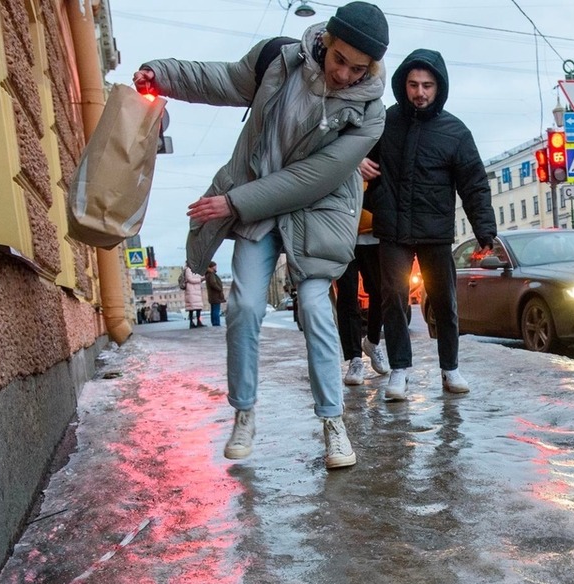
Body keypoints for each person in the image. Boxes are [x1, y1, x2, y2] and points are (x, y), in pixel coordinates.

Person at [133, 2, 390, 467]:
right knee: (245, 305)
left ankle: (334, 423)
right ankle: (244, 412)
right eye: (340, 60)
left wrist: (233, 203)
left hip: (319, 209)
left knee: (314, 306)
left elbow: (317, 176)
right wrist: (162, 73)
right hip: (258, 201)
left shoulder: (371, 110)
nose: (346, 75)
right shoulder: (279, 60)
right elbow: (222, 79)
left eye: (359, 68)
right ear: (326, 42)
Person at [361, 49, 497, 402]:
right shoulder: (384, 122)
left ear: (439, 87)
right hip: (392, 228)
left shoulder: (455, 131)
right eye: (413, 84)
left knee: (444, 300)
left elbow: (474, 183)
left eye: (427, 85)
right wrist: (358, 162)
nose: (420, 92)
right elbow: (351, 149)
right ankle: (399, 371)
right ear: (402, 85)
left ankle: (450, 368)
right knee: (393, 298)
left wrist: (485, 231)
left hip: (435, 229)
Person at [335, 196, 389, 386]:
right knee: (347, 295)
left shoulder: (377, 164)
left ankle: (372, 341)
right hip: (344, 233)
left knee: (381, 292)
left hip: (375, 233)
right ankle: (354, 359)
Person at [205, 261, 226, 327]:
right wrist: (219, 288)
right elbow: (213, 283)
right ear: (212, 267)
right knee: (216, 310)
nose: (216, 267)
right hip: (215, 295)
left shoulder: (209, 274)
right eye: (215, 266)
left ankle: (214, 322)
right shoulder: (211, 274)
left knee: (214, 309)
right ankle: (216, 323)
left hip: (212, 295)